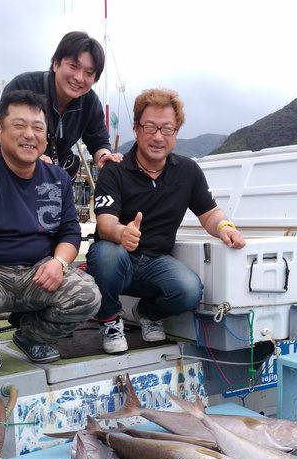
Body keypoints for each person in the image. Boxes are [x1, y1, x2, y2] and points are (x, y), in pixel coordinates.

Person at [0, 89, 101, 373]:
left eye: (38, 127)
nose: (29, 134)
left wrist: (59, 262)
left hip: (35, 272)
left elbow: (70, 232)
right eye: (19, 125)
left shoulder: (57, 178)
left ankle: (30, 337)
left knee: (88, 295)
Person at [86, 88, 245, 354]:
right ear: (136, 129)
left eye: (167, 129)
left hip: (155, 262)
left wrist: (224, 228)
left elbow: (209, 214)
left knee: (190, 290)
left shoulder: (188, 171)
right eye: (150, 127)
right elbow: (104, 224)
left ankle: (147, 313)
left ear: (176, 132)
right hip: (118, 258)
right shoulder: (114, 170)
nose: (158, 137)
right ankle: (111, 320)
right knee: (107, 255)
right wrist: (121, 232)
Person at [0, 31, 122, 173]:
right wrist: (31, 159)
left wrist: (105, 157)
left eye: (89, 73)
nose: (79, 78)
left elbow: (99, 141)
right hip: (6, 171)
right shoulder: (23, 86)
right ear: (56, 63)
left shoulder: (90, 102)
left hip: (50, 177)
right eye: (73, 66)